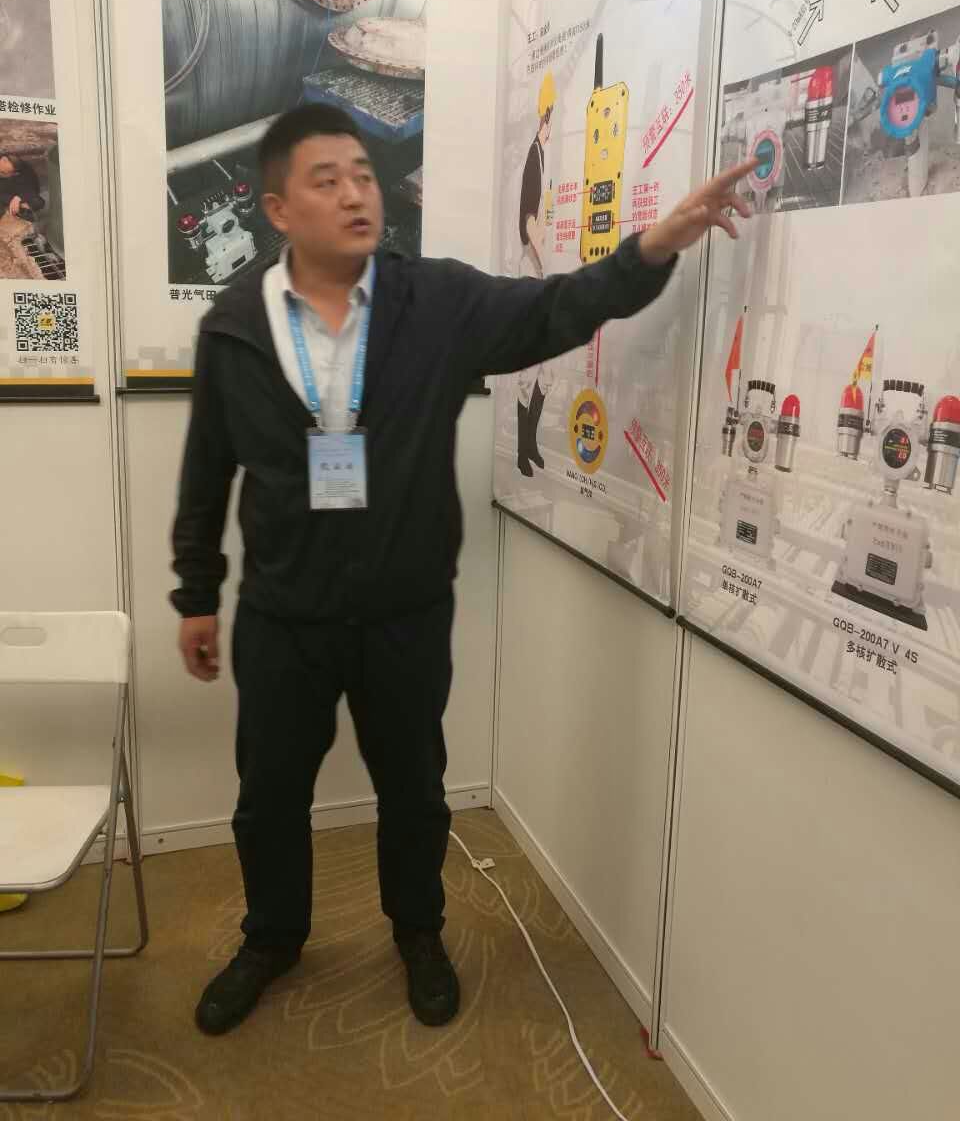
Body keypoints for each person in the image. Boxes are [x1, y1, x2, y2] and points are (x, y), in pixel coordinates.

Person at [171, 102, 756, 1038]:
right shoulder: (235, 325)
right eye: (328, 180)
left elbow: (557, 307)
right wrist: (196, 594)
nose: (357, 194)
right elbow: (207, 470)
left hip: (404, 611)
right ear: (277, 209)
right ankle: (271, 938)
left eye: (364, 175)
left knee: (414, 790)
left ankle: (419, 933)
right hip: (282, 615)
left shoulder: (433, 303)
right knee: (268, 796)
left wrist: (655, 244)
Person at [515, 72, 555, 476]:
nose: (550, 126)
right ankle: (522, 450)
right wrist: (545, 263)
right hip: (532, 273)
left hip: (543, 276)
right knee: (529, 370)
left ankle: (530, 443)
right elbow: (529, 221)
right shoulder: (533, 157)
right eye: (549, 119)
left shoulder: (544, 157)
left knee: (549, 369)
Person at [0, 152, 44, 220]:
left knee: (38, 202)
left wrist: (18, 198)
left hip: (18, 194)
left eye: (2, 172)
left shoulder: (27, 173)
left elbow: (34, 190)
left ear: (15, 173)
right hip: (4, 196)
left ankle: (20, 210)